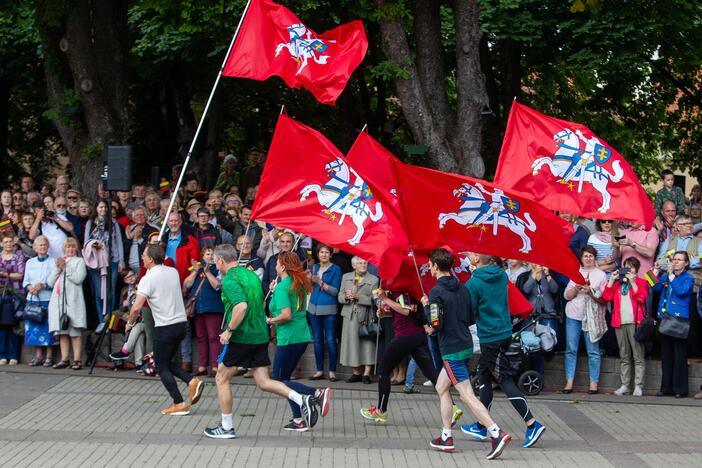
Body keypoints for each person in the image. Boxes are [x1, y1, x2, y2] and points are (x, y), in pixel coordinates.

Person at [203, 244, 321, 439]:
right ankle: (302, 399)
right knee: (264, 382)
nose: (216, 266)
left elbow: (241, 306)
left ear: (220, 261)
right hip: (260, 334)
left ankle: (226, 427)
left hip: (243, 335)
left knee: (221, 378)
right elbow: (261, 303)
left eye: (216, 262)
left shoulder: (231, 279)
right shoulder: (250, 274)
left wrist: (229, 330)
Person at [419, 248, 511, 458]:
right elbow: (470, 317)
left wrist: (426, 307)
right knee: (442, 387)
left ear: (434, 266)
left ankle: (496, 432)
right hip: (465, 343)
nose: (430, 269)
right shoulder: (462, 287)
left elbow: (435, 323)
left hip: (451, 349)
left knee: (467, 395)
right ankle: (445, 436)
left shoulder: (435, 292)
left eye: (431, 266)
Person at [461, 253, 546, 449]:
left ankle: (532, 423)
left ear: (475, 260)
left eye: (471, 254)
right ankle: (482, 425)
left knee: (505, 380)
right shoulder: (501, 274)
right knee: (483, 375)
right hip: (505, 332)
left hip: (490, 337)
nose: (469, 255)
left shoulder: (474, 284)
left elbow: (469, 312)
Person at [360, 288, 463, 428]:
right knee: (431, 373)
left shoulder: (402, 288)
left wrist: (385, 299)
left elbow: (406, 310)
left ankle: (381, 411)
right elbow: (401, 311)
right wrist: (384, 312)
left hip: (405, 336)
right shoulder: (396, 289)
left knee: (383, 370)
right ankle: (453, 408)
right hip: (417, 336)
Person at [124, 244, 204, 415]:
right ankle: (191, 381)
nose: (142, 258)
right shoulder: (172, 272)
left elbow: (136, 307)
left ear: (151, 259)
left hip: (165, 326)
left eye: (144, 255)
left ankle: (179, 402)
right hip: (181, 324)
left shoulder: (147, 278)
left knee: (160, 366)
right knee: (168, 362)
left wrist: (130, 323)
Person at [268, 251, 332, 431]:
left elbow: (285, 315)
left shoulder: (283, 287)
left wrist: (269, 320)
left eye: (277, 263)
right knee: (285, 379)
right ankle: (298, 419)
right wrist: (274, 291)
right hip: (302, 335)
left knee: (278, 381)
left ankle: (316, 393)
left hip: (288, 337)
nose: (275, 266)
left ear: (282, 266)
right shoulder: (297, 284)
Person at [562, 246, 607, 393]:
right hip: (574, 314)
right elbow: (567, 296)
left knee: (593, 351)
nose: (588, 259)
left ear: (595, 258)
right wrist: (575, 288)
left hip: (592, 317)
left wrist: (591, 292)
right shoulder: (575, 273)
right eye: (586, 256)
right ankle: (569, 382)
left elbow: (605, 299)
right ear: (581, 258)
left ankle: (593, 383)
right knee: (571, 349)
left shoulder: (600, 275)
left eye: (591, 256)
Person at [602, 257, 649, 396]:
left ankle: (638, 386)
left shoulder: (642, 282)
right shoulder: (618, 284)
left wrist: (633, 282)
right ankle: (625, 385)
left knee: (638, 355)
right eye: (626, 267)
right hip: (619, 322)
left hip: (636, 323)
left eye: (632, 267)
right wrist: (611, 279)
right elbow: (606, 297)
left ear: (637, 269)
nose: (628, 270)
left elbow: (641, 298)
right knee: (624, 355)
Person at [652, 251, 694, 398]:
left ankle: (680, 389)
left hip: (679, 320)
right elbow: (652, 286)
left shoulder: (688, 278)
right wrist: (655, 271)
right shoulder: (667, 277)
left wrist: (671, 277)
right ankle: (666, 388)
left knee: (679, 356)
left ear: (686, 263)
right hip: (665, 318)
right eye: (674, 259)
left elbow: (682, 291)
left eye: (679, 260)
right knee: (666, 355)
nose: (675, 262)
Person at [183, 246, 224, 377]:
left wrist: (208, 273)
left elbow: (218, 286)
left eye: (213, 254)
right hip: (198, 308)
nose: (210, 256)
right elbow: (186, 285)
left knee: (213, 337)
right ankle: (202, 366)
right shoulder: (197, 267)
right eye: (207, 254)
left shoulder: (218, 269)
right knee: (201, 337)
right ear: (202, 256)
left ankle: (215, 366)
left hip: (213, 307)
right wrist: (195, 272)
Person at [47, 238, 87, 370]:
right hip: (58, 300)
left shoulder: (79, 261)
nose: (70, 249)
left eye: (72, 247)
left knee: (74, 330)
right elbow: (50, 282)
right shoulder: (59, 261)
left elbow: (78, 278)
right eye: (68, 247)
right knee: (62, 331)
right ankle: (64, 359)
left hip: (73, 299)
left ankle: (76, 359)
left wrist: (66, 268)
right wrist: (58, 269)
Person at [84, 199, 125, 323]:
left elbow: (119, 242)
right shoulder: (90, 223)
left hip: (112, 261)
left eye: (105, 207)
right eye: (101, 207)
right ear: (96, 208)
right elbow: (85, 243)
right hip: (96, 263)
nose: (103, 210)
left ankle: (110, 321)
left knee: (110, 292)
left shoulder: (113, 223)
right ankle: (102, 321)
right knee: (98, 292)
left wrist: (121, 261)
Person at [338, 256, 378, 383]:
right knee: (351, 344)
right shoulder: (346, 277)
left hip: (365, 316)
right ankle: (356, 372)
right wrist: (346, 297)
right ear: (354, 266)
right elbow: (340, 296)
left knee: (367, 344)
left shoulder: (374, 279)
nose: (363, 264)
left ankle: (366, 374)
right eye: (360, 263)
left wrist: (359, 297)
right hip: (349, 315)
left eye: (365, 262)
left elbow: (375, 300)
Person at [516, 263, 559, 377]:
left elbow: (555, 290)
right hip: (531, 315)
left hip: (548, 314)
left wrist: (547, 274)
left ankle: (543, 365)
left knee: (548, 342)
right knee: (534, 346)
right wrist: (534, 274)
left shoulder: (549, 275)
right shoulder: (525, 276)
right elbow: (526, 289)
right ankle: (536, 375)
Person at [307, 243, 342, 381]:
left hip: (329, 310)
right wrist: (308, 279)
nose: (324, 255)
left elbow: (335, 291)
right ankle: (319, 370)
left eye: (327, 252)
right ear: (318, 254)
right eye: (321, 252)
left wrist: (320, 282)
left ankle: (332, 371)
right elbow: (309, 288)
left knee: (330, 341)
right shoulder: (313, 267)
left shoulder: (336, 269)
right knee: (317, 341)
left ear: (331, 255)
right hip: (313, 310)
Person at [22, 236, 56, 366]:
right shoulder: (30, 262)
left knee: (47, 327)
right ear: (35, 248)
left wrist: (44, 286)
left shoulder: (53, 261)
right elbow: (25, 280)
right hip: (32, 299)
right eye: (40, 245)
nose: (42, 247)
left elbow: (54, 280)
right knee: (34, 328)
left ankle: (49, 355)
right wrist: (30, 287)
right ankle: (38, 356)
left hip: (47, 298)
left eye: (44, 245)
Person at [109, 269, 148, 369]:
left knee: (137, 328)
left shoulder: (141, 286)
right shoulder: (124, 290)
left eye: (132, 276)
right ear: (125, 280)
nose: (131, 279)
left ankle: (125, 350)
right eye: (127, 278)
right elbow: (121, 308)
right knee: (139, 333)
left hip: (144, 318)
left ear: (136, 275)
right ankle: (139, 364)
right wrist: (125, 302)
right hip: (133, 320)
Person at [0, 233, 26, 365]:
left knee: (14, 325)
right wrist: (11, 275)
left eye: (10, 242)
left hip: (15, 294)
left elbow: (20, 275)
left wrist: (4, 274)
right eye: (6, 242)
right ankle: (2, 355)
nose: (8, 244)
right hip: (1, 294)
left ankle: (14, 355)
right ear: (1, 244)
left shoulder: (18, 257)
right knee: (2, 326)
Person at [123, 206, 157, 275]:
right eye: (137, 215)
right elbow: (124, 249)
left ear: (146, 216)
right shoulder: (130, 229)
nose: (139, 217)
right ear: (133, 218)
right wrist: (128, 238)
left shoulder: (152, 230)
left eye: (141, 215)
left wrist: (139, 239)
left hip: (143, 265)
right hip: (129, 266)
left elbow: (153, 249)